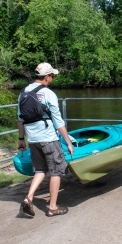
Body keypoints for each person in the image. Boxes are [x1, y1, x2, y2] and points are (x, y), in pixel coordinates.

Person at [17, 62, 75, 218]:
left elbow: (20, 119)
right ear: (47, 77)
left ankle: (28, 198)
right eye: (52, 76)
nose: (53, 79)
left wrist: (21, 139)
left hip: (33, 139)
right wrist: (68, 142)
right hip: (48, 138)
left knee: (41, 169)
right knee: (56, 171)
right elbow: (58, 122)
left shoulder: (23, 92)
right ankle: (52, 207)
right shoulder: (49, 94)